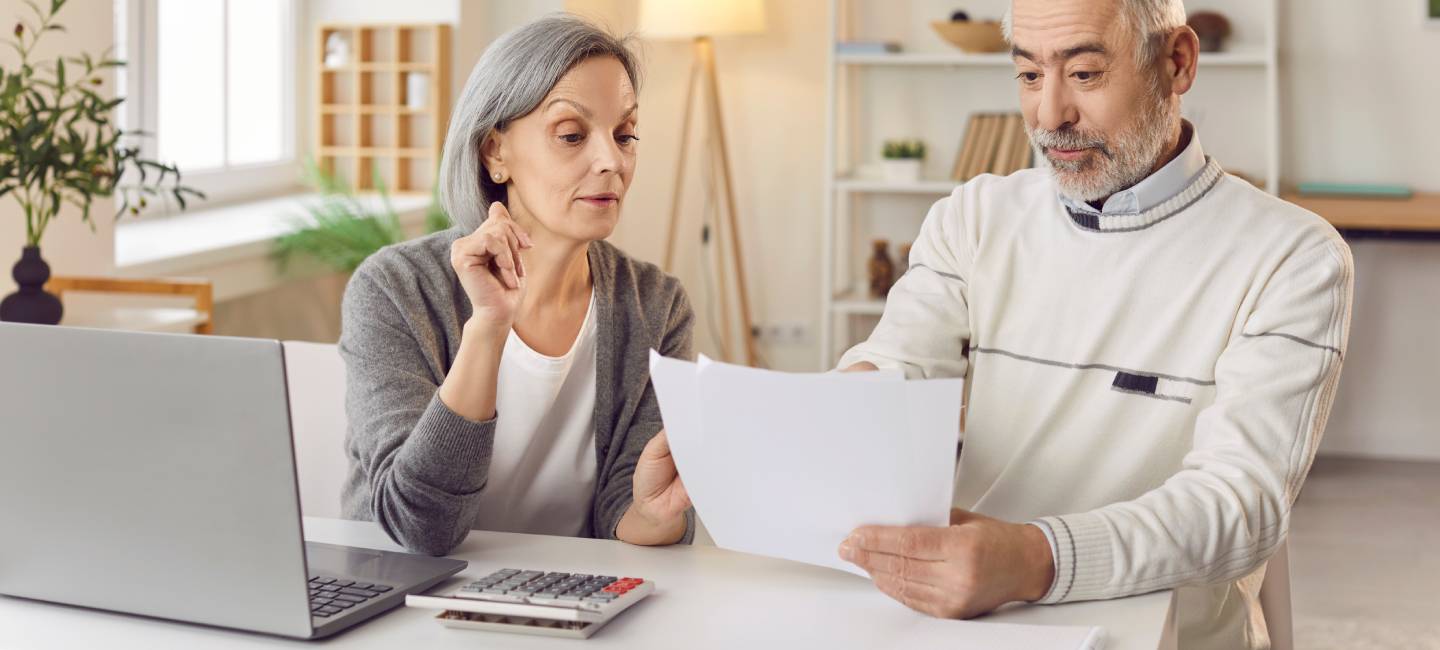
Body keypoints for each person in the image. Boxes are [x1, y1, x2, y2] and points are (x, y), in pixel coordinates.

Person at [833, 1, 1353, 648]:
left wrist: (1032, 559)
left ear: (1177, 62)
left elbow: (1240, 506)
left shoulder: (1292, 256)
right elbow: (896, 368)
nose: (1050, 117)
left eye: (1083, 74)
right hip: (963, 620)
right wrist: (823, 415)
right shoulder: (973, 216)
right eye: (1028, 76)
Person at [339, 15, 694, 557]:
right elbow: (419, 527)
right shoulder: (395, 289)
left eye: (625, 135)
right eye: (572, 135)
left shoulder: (656, 306)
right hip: (402, 606)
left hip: (568, 608)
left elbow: (630, 514)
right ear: (493, 152)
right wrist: (488, 326)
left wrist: (651, 514)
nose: (612, 161)